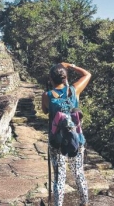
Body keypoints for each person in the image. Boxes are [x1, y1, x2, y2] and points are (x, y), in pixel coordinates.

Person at [41, 62, 91, 206]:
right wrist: (70, 65)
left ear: (50, 78)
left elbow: (45, 111)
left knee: (59, 176)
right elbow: (87, 74)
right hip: (77, 139)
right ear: (65, 77)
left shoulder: (47, 95)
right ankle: (84, 202)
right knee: (78, 173)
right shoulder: (74, 91)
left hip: (57, 141)